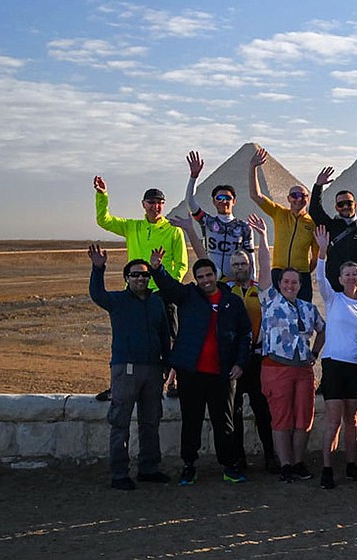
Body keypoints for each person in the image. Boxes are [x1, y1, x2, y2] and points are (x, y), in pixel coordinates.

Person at [149, 252, 251, 486]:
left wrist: (240, 363)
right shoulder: (189, 296)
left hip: (222, 373)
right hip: (191, 373)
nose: (206, 280)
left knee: (224, 422)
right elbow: (169, 286)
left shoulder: (232, 301)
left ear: (216, 275)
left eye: (209, 275)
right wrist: (157, 269)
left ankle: (229, 466)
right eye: (201, 276)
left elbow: (245, 334)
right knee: (191, 421)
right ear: (195, 279)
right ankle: (189, 466)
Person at [93, 176, 187, 401]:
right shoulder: (132, 227)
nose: (156, 206)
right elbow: (104, 220)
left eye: (159, 202)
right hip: (134, 292)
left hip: (161, 294)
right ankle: (117, 385)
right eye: (151, 202)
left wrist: (165, 286)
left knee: (171, 338)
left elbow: (181, 265)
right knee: (125, 339)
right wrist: (102, 195)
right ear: (143, 204)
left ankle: (173, 381)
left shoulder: (174, 231)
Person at [87, 244, 171, 490]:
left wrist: (166, 363)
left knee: (150, 421)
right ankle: (119, 473)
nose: (140, 278)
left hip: (153, 369)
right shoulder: (118, 301)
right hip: (126, 370)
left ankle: (149, 468)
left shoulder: (156, 303)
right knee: (121, 421)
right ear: (126, 278)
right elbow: (97, 294)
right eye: (135, 274)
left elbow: (164, 334)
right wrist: (98, 268)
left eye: (144, 274)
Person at [248, 215, 324, 483]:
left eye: (294, 282)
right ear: (280, 284)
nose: (290, 285)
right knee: (281, 418)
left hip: (303, 369)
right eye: (286, 282)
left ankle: (299, 462)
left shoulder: (308, 308)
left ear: (300, 285)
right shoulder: (269, 301)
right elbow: (265, 267)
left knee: (303, 418)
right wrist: (263, 238)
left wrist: (314, 354)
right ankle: (285, 466)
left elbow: (322, 330)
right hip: (275, 367)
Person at [312, 226, 357, 490]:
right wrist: (323, 250)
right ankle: (327, 467)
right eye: (347, 274)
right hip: (334, 364)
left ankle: (351, 464)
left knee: (353, 420)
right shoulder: (333, 299)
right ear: (340, 279)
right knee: (333, 419)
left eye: (355, 274)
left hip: (354, 365)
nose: (351, 277)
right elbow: (319, 277)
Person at [220, 248, 278, 473]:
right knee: (234, 411)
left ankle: (270, 456)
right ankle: (239, 458)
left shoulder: (259, 289)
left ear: (249, 265)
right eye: (235, 264)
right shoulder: (226, 290)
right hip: (233, 360)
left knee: (262, 410)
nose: (239, 268)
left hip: (257, 357)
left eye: (243, 263)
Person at [248, 147, 318, 301]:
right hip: (278, 273)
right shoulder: (279, 213)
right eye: (294, 195)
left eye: (302, 195)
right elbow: (256, 195)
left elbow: (316, 256)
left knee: (303, 315)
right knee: (277, 315)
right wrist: (253, 167)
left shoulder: (312, 224)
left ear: (308, 198)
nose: (298, 198)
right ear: (288, 198)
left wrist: (304, 272)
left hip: (301, 277)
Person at [184, 150, 254, 277]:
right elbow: (190, 201)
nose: (224, 201)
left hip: (235, 282)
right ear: (213, 201)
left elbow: (250, 257)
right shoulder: (207, 222)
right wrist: (194, 177)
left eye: (227, 198)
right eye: (219, 198)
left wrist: (252, 282)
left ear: (234, 201)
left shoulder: (244, 227)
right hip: (212, 280)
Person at [310, 166, 357, 296]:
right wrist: (318, 186)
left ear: (355, 205)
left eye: (349, 203)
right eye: (341, 204)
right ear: (336, 207)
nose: (345, 206)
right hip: (334, 288)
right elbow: (315, 211)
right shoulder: (330, 226)